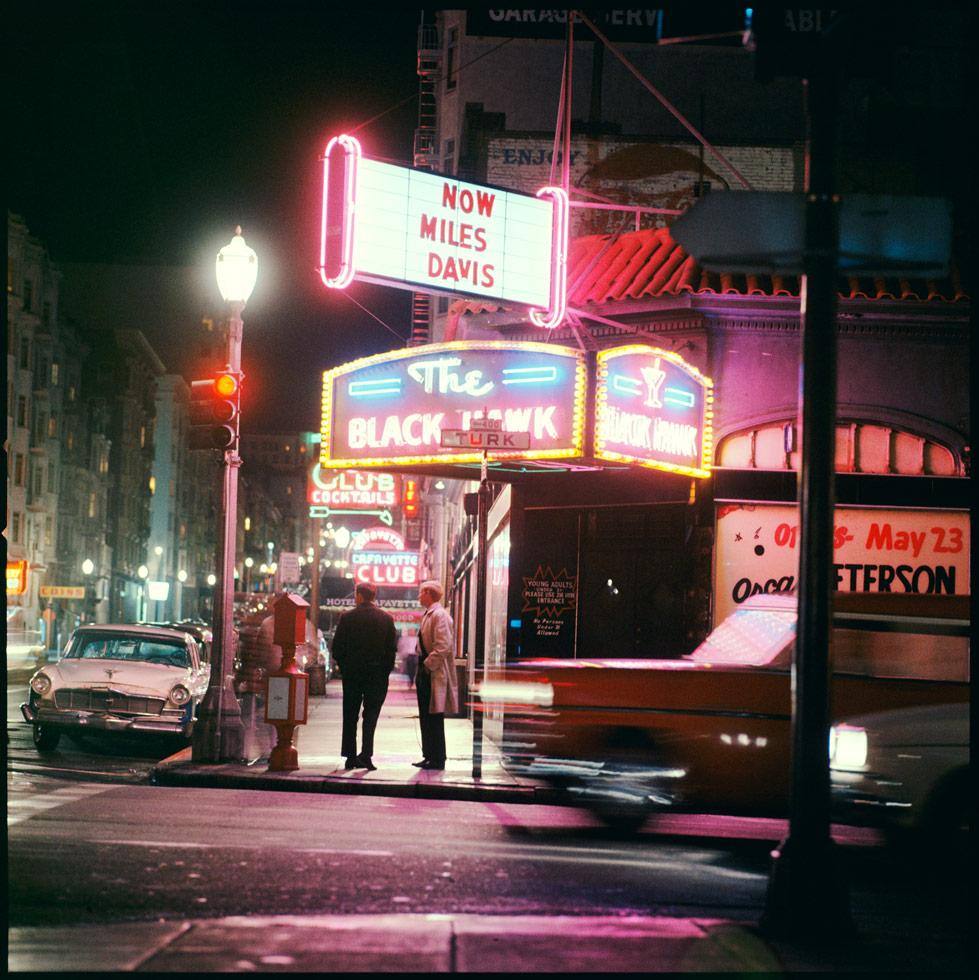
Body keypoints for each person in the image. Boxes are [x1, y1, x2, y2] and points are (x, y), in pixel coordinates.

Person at [330, 582, 398, 771]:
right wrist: (384, 671)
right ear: (373, 596)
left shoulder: (347, 617)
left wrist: (345, 667)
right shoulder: (386, 619)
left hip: (353, 674)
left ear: (359, 595)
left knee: (350, 714)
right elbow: (391, 650)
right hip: (377, 675)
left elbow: (337, 648)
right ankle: (366, 755)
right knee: (371, 716)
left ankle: (350, 756)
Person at [413, 580, 458, 771]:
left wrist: (427, 665)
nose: (419, 596)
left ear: (429, 593)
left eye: (421, 592)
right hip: (426, 671)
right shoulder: (430, 614)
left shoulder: (440, 615)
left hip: (433, 672)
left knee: (434, 717)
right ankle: (429, 755)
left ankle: (437, 758)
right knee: (426, 715)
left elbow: (443, 646)